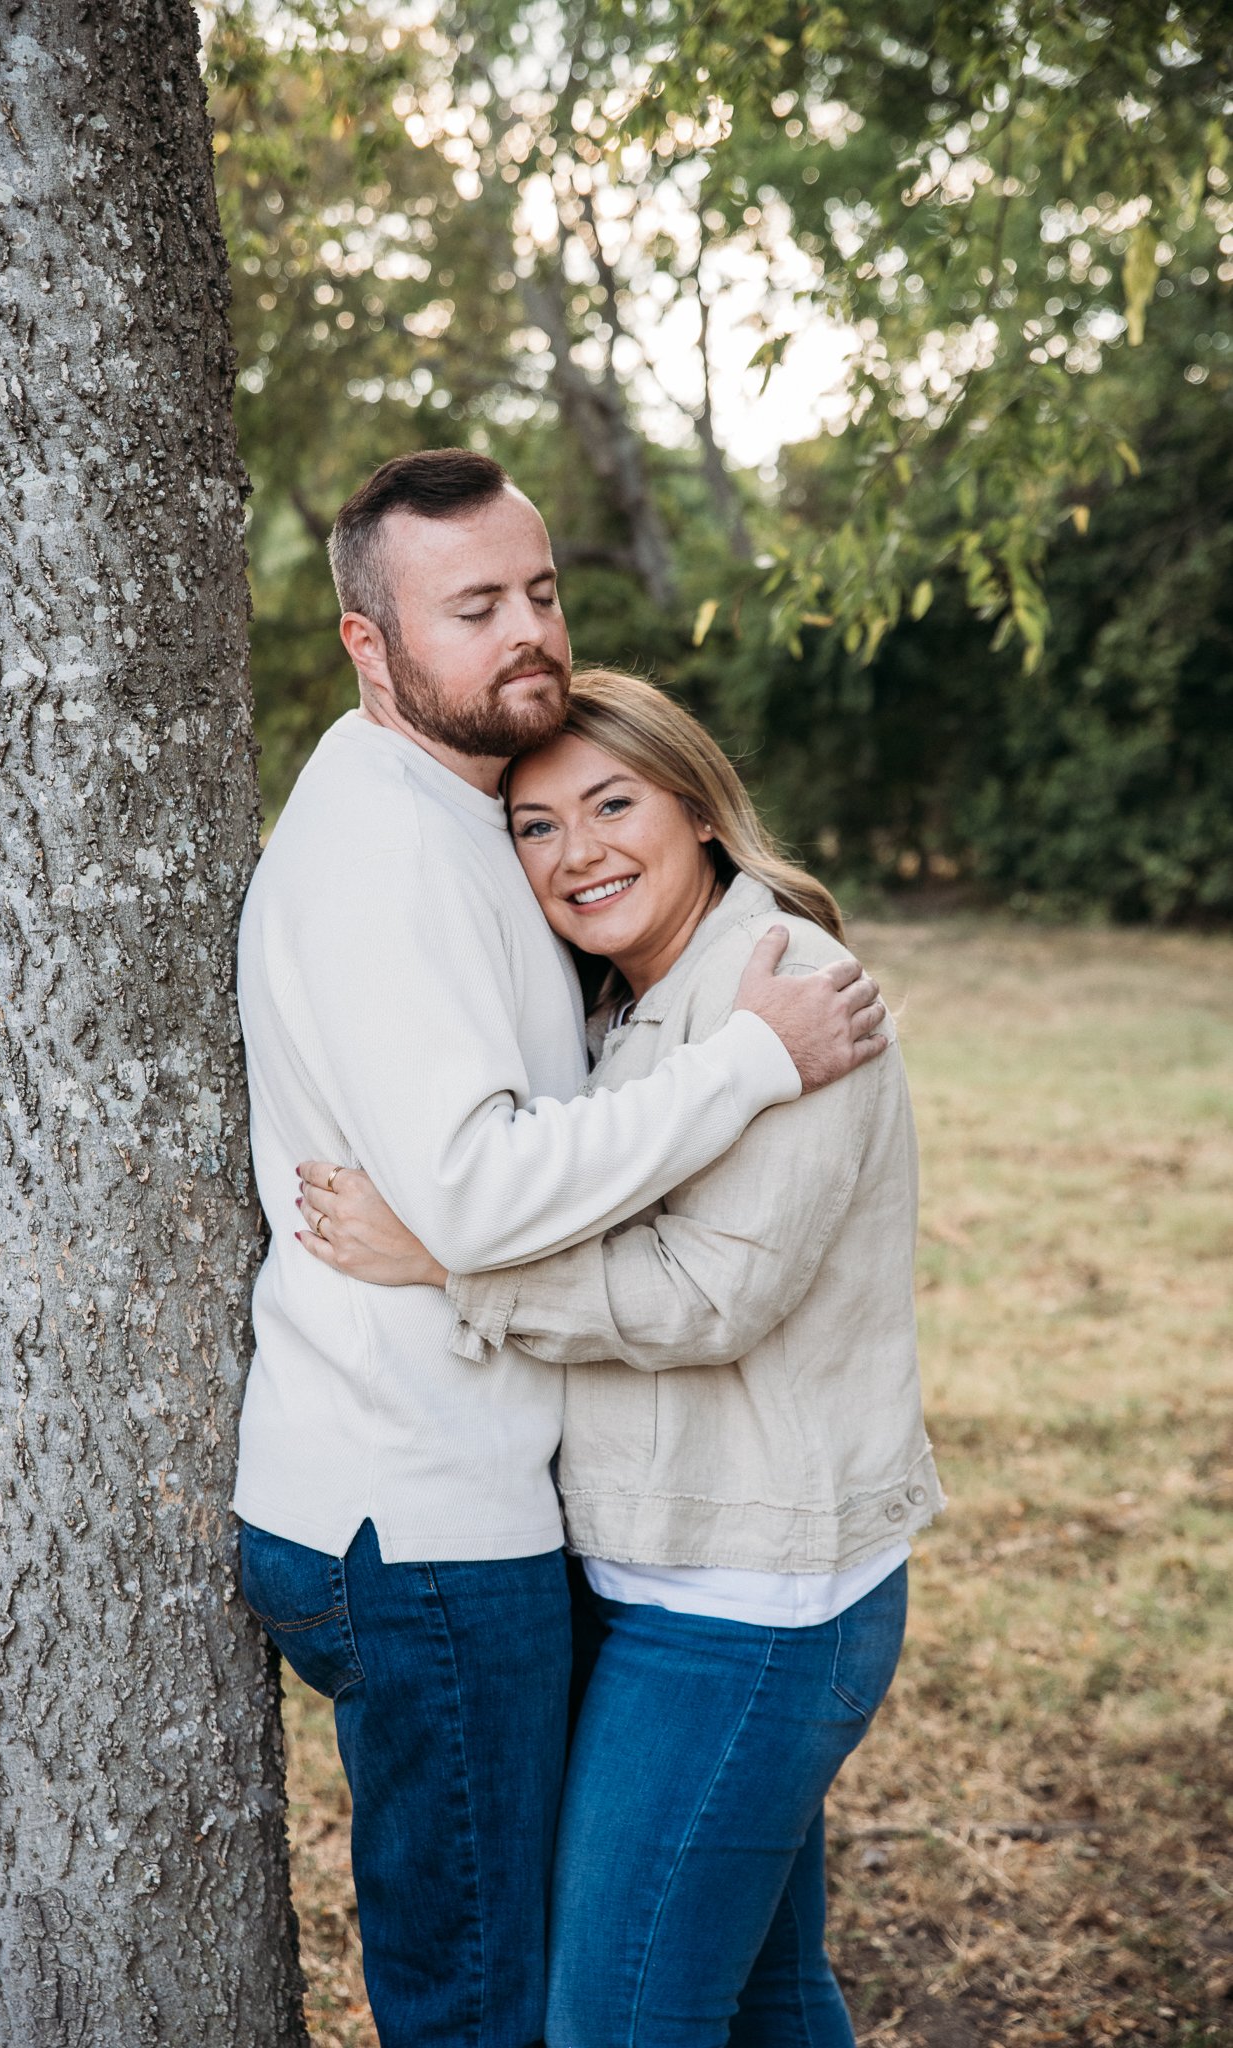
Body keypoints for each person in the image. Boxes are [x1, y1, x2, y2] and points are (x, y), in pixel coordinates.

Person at [233, 451, 889, 2047]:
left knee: (715, 1987)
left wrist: (453, 1254)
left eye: (539, 592)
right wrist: (746, 1063)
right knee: (499, 2005)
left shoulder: (468, 818)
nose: (526, 631)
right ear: (366, 643)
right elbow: (474, 1191)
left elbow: (654, 1254)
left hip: (577, 1522)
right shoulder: (390, 848)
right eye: (472, 608)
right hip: (423, 1518)